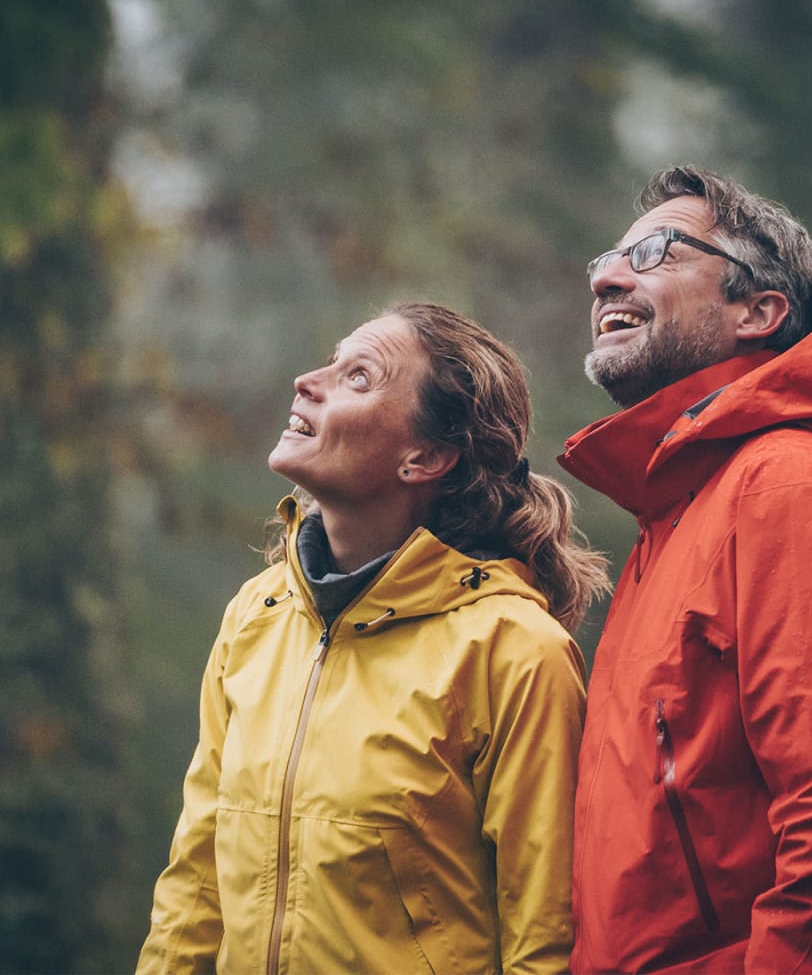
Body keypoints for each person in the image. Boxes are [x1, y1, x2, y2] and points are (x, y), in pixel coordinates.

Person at [136, 301, 609, 975]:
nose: (308, 380)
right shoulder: (256, 615)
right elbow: (196, 878)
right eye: (331, 362)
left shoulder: (514, 649)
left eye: (358, 377)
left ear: (425, 456)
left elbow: (544, 936)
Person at [559, 166, 812, 973]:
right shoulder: (677, 519)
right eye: (608, 257)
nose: (606, 276)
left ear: (760, 311)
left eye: (659, 251)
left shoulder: (795, 489)